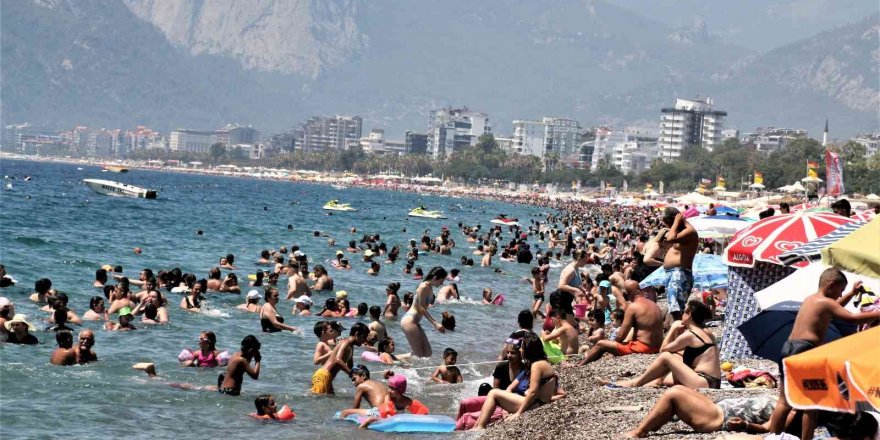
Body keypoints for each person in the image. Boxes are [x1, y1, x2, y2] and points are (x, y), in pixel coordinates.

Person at [767, 269, 880, 440]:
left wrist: (851, 293)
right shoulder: (826, 303)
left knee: (784, 401)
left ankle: (773, 437)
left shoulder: (812, 300)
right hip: (805, 350)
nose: (840, 295)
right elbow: (853, 319)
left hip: (788, 348)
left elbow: (836, 307)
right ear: (831, 285)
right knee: (812, 404)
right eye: (840, 290)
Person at [602, 299, 722, 389]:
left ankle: (635, 383)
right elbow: (679, 352)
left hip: (704, 381)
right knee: (666, 373)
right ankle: (643, 382)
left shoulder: (690, 335)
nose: (681, 314)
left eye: (683, 311)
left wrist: (673, 329)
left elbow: (663, 350)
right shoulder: (706, 332)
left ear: (689, 314)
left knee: (666, 357)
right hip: (712, 381)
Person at [470, 332, 565, 430]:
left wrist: (518, 413)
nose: (520, 349)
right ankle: (476, 426)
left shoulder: (536, 366)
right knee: (493, 393)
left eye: (522, 347)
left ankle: (480, 426)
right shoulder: (543, 363)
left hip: (535, 405)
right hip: (539, 403)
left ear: (528, 349)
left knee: (493, 393)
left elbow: (533, 392)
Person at [623, 385, 784, 438]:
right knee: (679, 388)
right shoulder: (786, 398)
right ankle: (656, 422)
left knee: (673, 394)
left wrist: (745, 425)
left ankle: (639, 432)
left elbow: (768, 429)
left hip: (720, 418)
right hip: (719, 408)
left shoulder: (790, 408)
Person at [579, 280, 663, 365]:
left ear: (629, 294)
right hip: (657, 347)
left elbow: (621, 335)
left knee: (601, 344)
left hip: (643, 347)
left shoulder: (633, 307)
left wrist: (611, 344)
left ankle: (581, 364)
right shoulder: (654, 305)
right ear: (640, 290)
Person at [661, 207, 699, 320]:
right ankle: (677, 327)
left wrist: (676, 222)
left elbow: (670, 239)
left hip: (679, 273)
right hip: (674, 273)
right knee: (674, 307)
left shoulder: (689, 231)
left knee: (677, 308)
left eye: (668, 223)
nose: (668, 226)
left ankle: (680, 327)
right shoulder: (681, 232)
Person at [310, 322, 369, 395]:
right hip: (323, 376)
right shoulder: (345, 342)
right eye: (364, 337)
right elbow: (338, 360)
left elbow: (350, 367)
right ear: (357, 334)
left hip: (328, 379)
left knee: (329, 399)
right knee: (316, 400)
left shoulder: (351, 347)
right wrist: (352, 374)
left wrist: (359, 373)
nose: (365, 340)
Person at [401, 266, 447, 357]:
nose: (442, 283)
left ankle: (396, 359)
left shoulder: (429, 287)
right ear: (435, 277)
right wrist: (435, 323)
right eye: (442, 280)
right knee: (419, 355)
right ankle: (393, 360)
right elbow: (421, 307)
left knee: (427, 352)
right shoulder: (424, 286)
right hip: (409, 320)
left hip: (415, 321)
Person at [357, 374, 429, 429]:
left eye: (392, 388)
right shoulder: (388, 398)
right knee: (370, 419)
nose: (389, 390)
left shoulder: (406, 401)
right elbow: (387, 414)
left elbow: (421, 411)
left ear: (399, 390)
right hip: (381, 414)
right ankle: (359, 430)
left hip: (394, 419)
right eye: (389, 387)